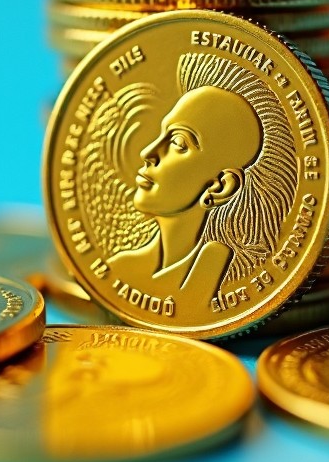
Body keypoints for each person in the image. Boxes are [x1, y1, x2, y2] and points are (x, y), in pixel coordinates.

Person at [107, 52, 297, 307]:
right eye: (162, 135)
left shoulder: (215, 277)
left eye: (177, 142)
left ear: (220, 186)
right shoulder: (121, 267)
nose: (149, 153)